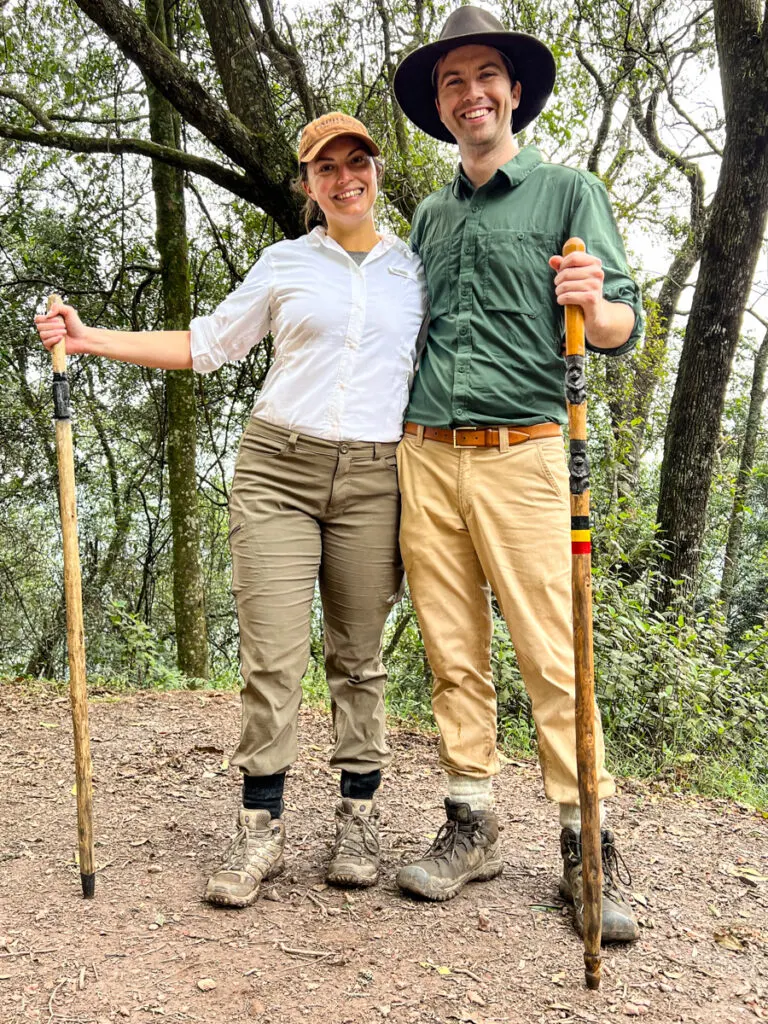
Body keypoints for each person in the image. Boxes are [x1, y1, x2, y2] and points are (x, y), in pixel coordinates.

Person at [35, 112, 427, 908]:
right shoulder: (285, 263)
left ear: (378, 171)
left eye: (357, 163)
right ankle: (261, 830)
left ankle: (357, 819)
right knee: (274, 659)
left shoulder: (416, 270)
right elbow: (207, 344)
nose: (344, 178)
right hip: (277, 469)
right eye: (326, 169)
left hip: (378, 476)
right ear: (307, 185)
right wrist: (91, 338)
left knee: (358, 655)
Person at [391, 7, 643, 942]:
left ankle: (585, 848)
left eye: (485, 75)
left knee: (552, 649)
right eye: (452, 82)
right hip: (427, 453)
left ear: (516, 91)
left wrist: (595, 304)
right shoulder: (429, 211)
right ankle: (472, 825)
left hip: (528, 453)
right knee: (452, 652)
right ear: (441, 106)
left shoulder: (569, 191)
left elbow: (620, 324)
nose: (470, 94)